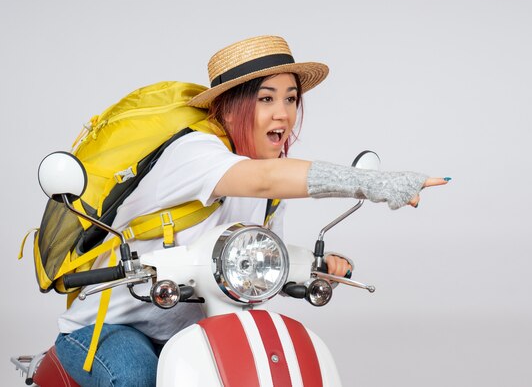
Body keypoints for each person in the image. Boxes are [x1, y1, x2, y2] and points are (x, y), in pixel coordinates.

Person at [54, 35, 450, 386]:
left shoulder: (264, 180)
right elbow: (265, 178)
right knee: (136, 375)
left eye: (291, 98)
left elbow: (246, 251)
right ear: (228, 108)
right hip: (106, 327)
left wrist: (316, 263)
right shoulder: (193, 153)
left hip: (195, 328)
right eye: (266, 98)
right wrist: (373, 184)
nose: (284, 113)